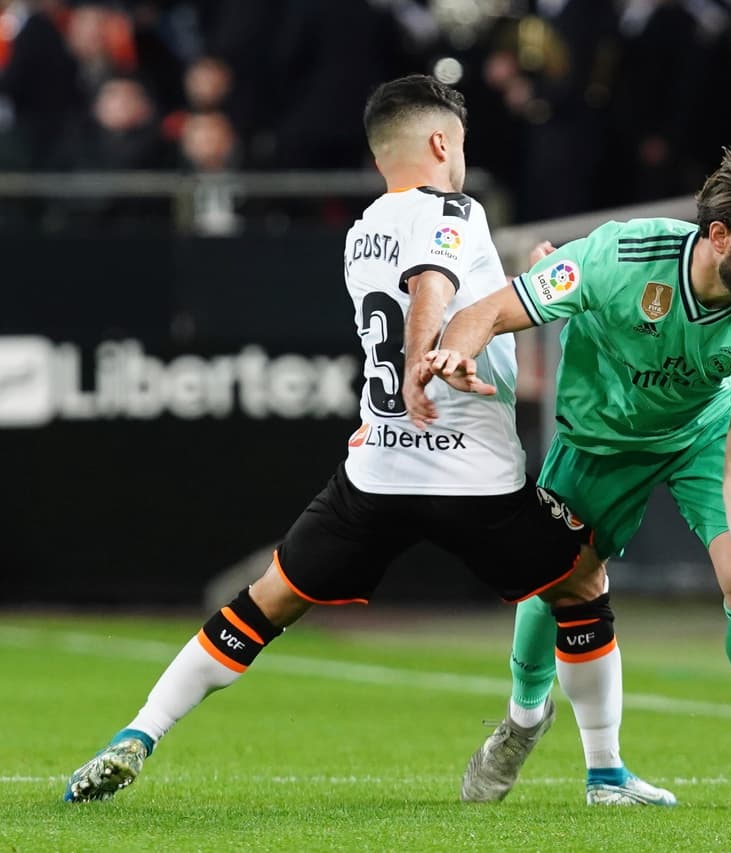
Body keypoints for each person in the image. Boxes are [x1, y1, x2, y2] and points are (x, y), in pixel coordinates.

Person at [63, 73, 671, 808]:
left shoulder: (362, 231)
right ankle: (605, 774)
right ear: (443, 141)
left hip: (376, 473)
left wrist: (524, 279)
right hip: (473, 479)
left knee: (261, 606)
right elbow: (433, 284)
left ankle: (138, 732)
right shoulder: (454, 209)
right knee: (582, 584)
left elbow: (449, 284)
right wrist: (423, 366)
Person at [422, 136, 731, 811]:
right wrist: (452, 357)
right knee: (556, 585)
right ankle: (523, 719)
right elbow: (486, 310)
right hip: (598, 443)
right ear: (721, 237)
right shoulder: (616, 258)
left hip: (698, 439)